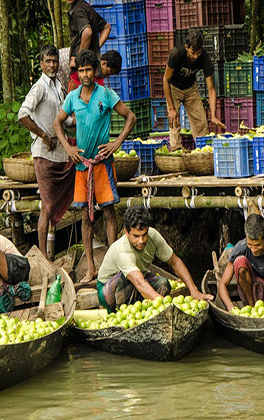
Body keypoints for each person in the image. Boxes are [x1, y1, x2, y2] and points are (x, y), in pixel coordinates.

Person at [53, 49, 136, 283]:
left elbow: (130, 117)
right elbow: (57, 123)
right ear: (77, 74)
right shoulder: (73, 97)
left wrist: (116, 143)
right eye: (81, 70)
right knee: (85, 218)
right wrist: (68, 149)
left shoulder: (106, 94)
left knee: (109, 213)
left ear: (95, 71)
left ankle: (113, 264)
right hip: (82, 167)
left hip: (102, 164)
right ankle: (90, 267)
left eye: (88, 69)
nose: (85, 74)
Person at [18, 44, 76, 258]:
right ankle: (42, 255)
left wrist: (80, 121)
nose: (52, 65)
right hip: (44, 153)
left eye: (54, 61)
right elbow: (23, 114)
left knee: (54, 203)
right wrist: (42, 135)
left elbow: (62, 118)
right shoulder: (40, 87)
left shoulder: (58, 85)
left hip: (60, 152)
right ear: (41, 64)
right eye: (48, 61)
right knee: (47, 205)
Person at [96, 205, 211, 311]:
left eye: (144, 234)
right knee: (125, 279)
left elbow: (175, 262)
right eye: (136, 236)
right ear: (126, 232)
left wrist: (193, 290)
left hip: (137, 280)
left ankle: (142, 311)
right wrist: (166, 306)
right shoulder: (122, 251)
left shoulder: (153, 236)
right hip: (108, 290)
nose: (141, 241)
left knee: (163, 283)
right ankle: (120, 313)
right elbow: (139, 282)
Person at [164, 28, 225, 149]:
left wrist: (213, 115)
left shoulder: (204, 57)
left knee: (201, 122)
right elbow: (165, 79)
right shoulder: (176, 54)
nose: (196, 56)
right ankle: (176, 151)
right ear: (186, 47)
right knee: (174, 122)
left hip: (191, 88)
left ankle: (203, 151)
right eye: (193, 53)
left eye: (198, 52)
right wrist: (171, 108)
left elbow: (211, 89)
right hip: (174, 88)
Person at [61, 0, 111, 70]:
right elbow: (106, 27)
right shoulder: (86, 7)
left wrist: (78, 59)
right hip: (93, 67)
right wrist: (94, 49)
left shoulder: (78, 11)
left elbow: (87, 32)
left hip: (82, 69)